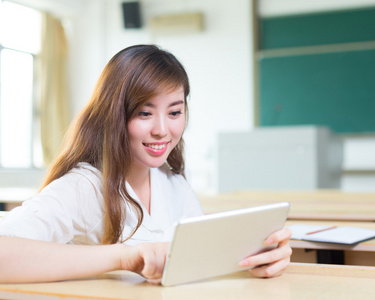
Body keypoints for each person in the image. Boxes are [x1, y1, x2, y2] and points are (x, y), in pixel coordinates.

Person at [0, 45, 292, 284]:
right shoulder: (83, 187)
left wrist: (258, 257)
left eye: (175, 112)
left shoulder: (172, 182)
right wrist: (125, 257)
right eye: (144, 113)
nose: (162, 130)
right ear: (114, 116)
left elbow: (197, 261)